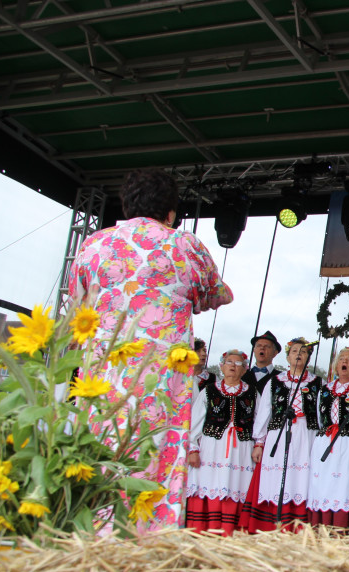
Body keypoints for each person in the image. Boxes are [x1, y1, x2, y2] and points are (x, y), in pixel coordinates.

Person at [68, 168, 232, 529]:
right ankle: (149, 542)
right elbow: (218, 294)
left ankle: (96, 534)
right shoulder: (184, 245)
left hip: (104, 376)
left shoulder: (93, 244)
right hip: (160, 377)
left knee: (101, 451)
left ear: (126, 206)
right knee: (156, 455)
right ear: (171, 212)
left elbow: (77, 302)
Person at [242, 337, 321, 532]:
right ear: (287, 357)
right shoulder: (275, 381)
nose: (298, 355)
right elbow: (264, 412)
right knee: (277, 477)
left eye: (303, 352)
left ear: (309, 358)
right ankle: (271, 524)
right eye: (294, 351)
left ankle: (298, 525)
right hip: (279, 433)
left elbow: (321, 413)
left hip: (306, 435)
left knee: (301, 477)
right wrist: (259, 442)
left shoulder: (317, 383)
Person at [185, 350, 257, 536]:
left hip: (241, 449)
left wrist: (259, 445)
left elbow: (259, 422)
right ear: (221, 366)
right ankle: (204, 531)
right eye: (229, 362)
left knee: (237, 486)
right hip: (212, 447)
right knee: (209, 484)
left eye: (238, 363)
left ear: (245, 369)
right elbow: (195, 422)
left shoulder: (252, 393)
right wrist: (193, 448)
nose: (233, 366)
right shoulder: (209, 391)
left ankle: (232, 532)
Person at [308, 347, 349, 528]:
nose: (345, 362)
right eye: (341, 359)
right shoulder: (325, 389)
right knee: (323, 484)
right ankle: (322, 527)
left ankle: (342, 528)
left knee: (344, 485)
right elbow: (319, 417)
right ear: (335, 365)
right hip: (325, 443)